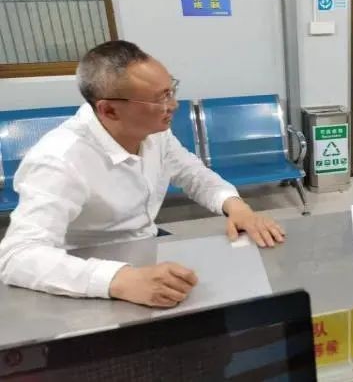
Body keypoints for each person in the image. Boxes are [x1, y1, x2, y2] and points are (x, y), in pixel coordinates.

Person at [0, 40, 285, 308]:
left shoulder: (154, 132)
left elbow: (192, 172)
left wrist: (235, 206)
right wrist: (119, 280)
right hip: (86, 269)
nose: (173, 105)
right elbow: (17, 256)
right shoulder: (59, 160)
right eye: (159, 99)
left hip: (146, 244)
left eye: (171, 90)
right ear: (109, 110)